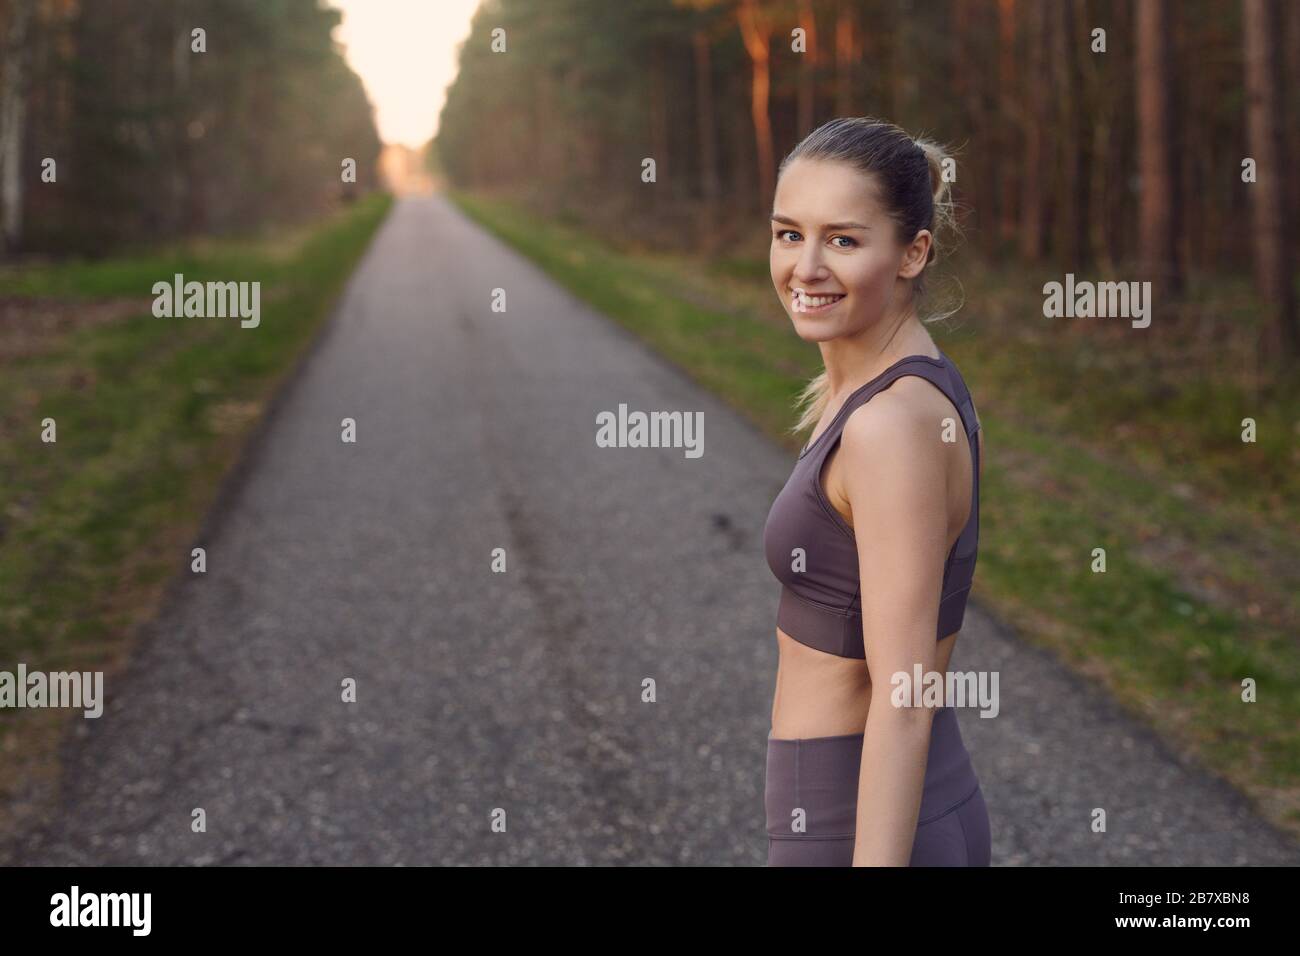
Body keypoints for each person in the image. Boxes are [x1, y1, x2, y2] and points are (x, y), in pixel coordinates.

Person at [762, 116, 990, 866]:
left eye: (844, 240)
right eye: (789, 233)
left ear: (912, 252)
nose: (807, 266)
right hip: (856, 808)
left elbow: (905, 700)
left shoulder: (890, 424)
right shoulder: (895, 387)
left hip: (859, 822)